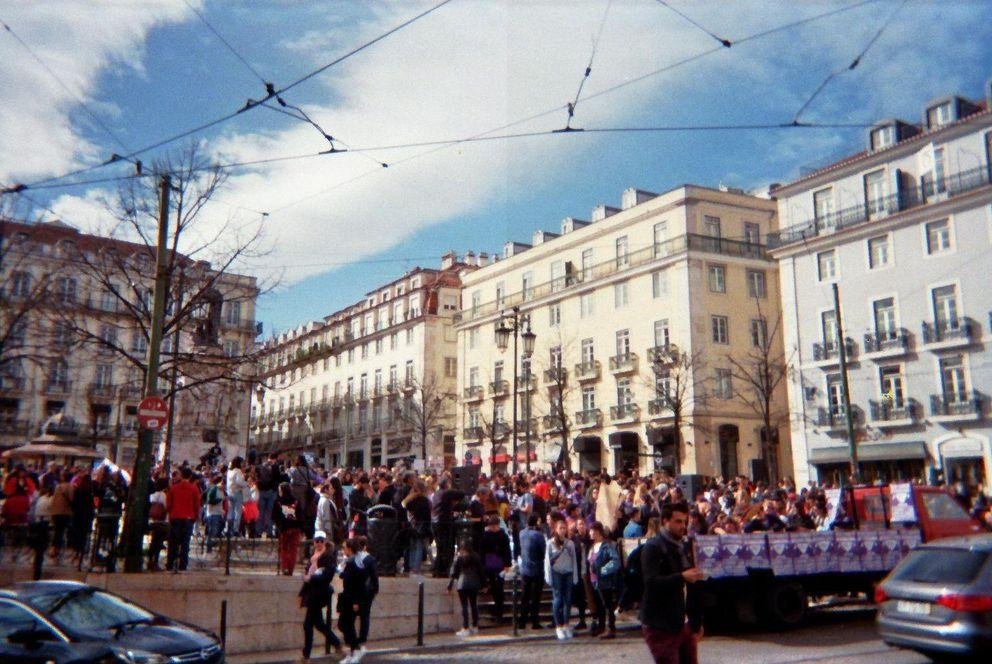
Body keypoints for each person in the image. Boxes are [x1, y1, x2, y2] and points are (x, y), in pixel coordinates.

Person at [640, 502, 705, 664]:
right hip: (661, 626)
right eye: (678, 521)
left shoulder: (682, 546)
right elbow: (651, 582)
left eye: (685, 521)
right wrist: (682, 577)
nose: (682, 526)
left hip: (683, 624)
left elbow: (690, 589)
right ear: (664, 521)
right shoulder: (653, 547)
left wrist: (696, 623)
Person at [300, 531, 344, 662]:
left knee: (308, 625)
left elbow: (327, 576)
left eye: (321, 540)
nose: (318, 543)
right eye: (316, 540)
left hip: (319, 593)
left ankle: (306, 655)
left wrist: (311, 578)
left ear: (325, 542)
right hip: (311, 592)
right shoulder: (314, 556)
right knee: (318, 624)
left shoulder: (328, 557)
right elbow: (308, 572)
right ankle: (336, 644)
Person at [338, 536, 379, 664]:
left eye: (344, 548)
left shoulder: (354, 563)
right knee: (345, 624)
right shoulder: (354, 562)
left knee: (347, 624)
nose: (343, 550)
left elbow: (356, 582)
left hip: (353, 598)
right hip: (351, 598)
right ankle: (354, 649)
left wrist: (356, 601)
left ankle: (355, 649)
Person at [544, 516, 579, 640]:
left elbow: (574, 560)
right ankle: (558, 625)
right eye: (560, 528)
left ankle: (566, 624)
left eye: (564, 528)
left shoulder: (570, 544)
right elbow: (547, 561)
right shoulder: (550, 543)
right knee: (558, 599)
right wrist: (548, 576)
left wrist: (575, 575)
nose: (563, 530)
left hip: (568, 572)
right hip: (557, 573)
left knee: (568, 600)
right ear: (556, 529)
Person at [588, 520, 621, 639]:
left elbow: (615, 561)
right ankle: (601, 627)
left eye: (591, 531)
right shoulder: (592, 547)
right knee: (599, 605)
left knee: (607, 605)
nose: (590, 533)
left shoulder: (606, 546)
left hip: (605, 581)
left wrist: (603, 570)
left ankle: (611, 628)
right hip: (594, 581)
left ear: (597, 532)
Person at [166, 466, 201, 572]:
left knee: (173, 542)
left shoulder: (174, 488)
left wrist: (170, 512)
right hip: (188, 518)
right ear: (190, 476)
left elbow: (169, 503)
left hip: (175, 517)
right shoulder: (194, 489)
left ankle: (170, 563)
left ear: (181, 475)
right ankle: (183, 564)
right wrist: (196, 516)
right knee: (185, 542)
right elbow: (197, 504)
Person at [479, 514, 512, 621]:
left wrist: (507, 564)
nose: (493, 528)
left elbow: (507, 551)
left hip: (499, 564)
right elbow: (482, 551)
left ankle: (499, 610)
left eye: (494, 526)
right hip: (490, 564)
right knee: (494, 586)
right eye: (491, 526)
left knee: (499, 587)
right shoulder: (486, 535)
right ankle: (498, 609)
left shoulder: (502, 536)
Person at [448, 543, 484, 637]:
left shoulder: (459, 558)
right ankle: (475, 626)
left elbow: (454, 573)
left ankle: (465, 627)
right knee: (473, 605)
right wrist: (484, 585)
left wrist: (449, 586)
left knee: (464, 606)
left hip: (462, 583)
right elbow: (481, 571)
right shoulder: (476, 557)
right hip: (474, 583)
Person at [517, 513, 546, 630]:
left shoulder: (521, 533)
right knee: (535, 597)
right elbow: (543, 551)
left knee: (525, 596)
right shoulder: (538, 535)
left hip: (525, 568)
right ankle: (535, 621)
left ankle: (522, 621)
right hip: (537, 568)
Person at [274, 481, 304, 576]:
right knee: (293, 549)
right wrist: (301, 528)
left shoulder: (278, 501)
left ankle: (285, 568)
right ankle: (290, 569)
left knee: (283, 549)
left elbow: (275, 516)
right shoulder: (296, 501)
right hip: (295, 528)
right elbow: (300, 516)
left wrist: (278, 525)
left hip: (283, 529)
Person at [255, 452, 280, 537]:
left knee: (260, 512)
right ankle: (269, 531)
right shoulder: (275, 467)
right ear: (275, 459)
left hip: (261, 491)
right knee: (269, 512)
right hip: (271, 491)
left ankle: (258, 531)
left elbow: (257, 477)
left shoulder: (261, 466)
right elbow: (277, 478)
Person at [226, 457, 249, 537]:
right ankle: (235, 529)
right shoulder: (238, 471)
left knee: (230, 511)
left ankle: (228, 528)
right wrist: (246, 483)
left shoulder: (229, 471)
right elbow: (239, 482)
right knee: (237, 512)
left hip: (230, 492)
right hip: (237, 492)